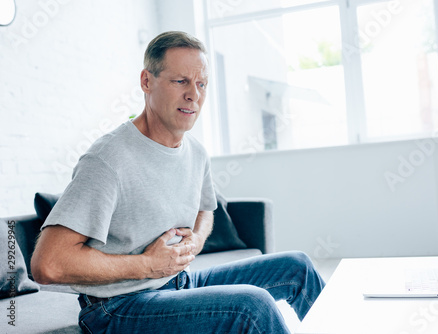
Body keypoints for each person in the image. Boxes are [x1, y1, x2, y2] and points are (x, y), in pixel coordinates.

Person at [31, 31, 325, 334]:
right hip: (116, 306)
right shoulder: (108, 160)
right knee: (252, 307)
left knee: (297, 267)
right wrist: (148, 265)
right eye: (180, 81)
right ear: (147, 81)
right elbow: (48, 264)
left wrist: (197, 239)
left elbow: (205, 209)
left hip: (178, 282)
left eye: (201, 84)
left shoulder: (195, 152)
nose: (194, 95)